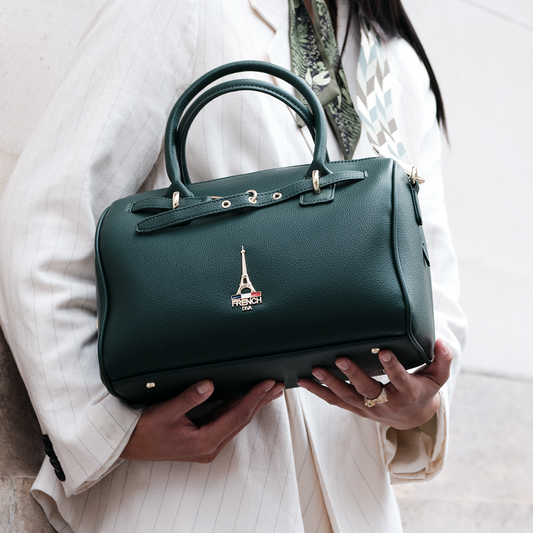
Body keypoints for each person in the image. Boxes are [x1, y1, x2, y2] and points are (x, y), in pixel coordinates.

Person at [0, 0, 467, 531]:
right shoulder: (176, 10)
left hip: (354, 497)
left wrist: (423, 404)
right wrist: (109, 431)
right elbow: (43, 226)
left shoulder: (396, 63)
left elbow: (434, 270)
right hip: (196, 496)